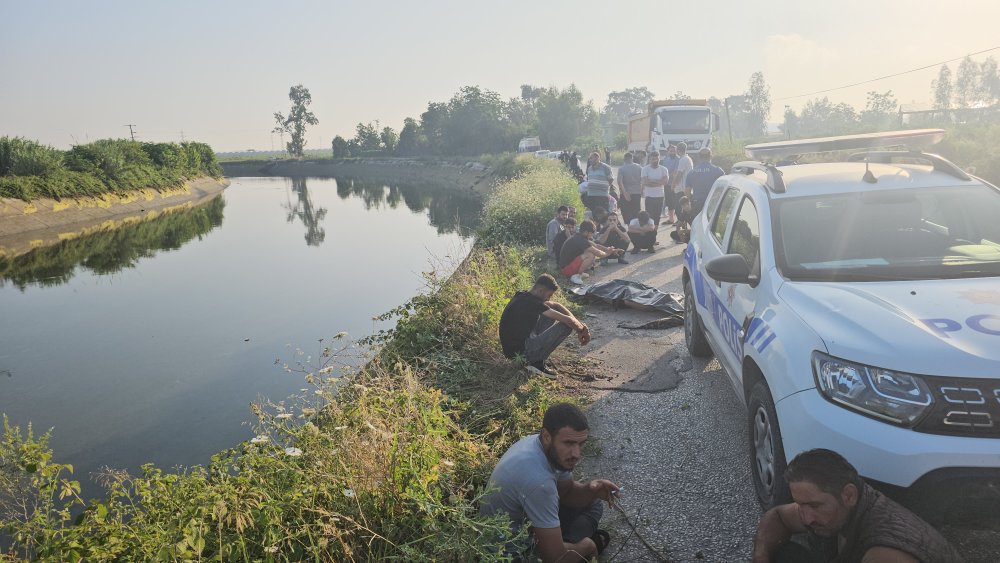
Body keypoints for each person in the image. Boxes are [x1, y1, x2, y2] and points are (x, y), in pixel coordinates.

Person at [752, 449, 965, 563]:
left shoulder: (886, 553)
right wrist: (761, 556)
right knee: (783, 553)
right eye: (800, 504)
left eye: (814, 505)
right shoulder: (842, 506)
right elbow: (778, 516)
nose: (806, 517)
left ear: (849, 495)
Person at [481, 403, 619, 562]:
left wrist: (591, 490)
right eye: (568, 443)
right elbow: (555, 558)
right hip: (511, 554)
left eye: (581, 444)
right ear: (547, 436)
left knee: (593, 502)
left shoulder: (541, 446)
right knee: (566, 552)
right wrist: (587, 546)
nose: (576, 453)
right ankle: (569, 547)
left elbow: (566, 492)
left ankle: (561, 543)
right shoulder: (539, 482)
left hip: (526, 526)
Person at [498, 274, 591, 377]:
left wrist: (580, 327)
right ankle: (535, 362)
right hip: (521, 353)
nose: (548, 298)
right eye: (549, 295)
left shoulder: (523, 296)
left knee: (555, 312)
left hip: (521, 343)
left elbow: (556, 305)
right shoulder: (531, 303)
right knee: (567, 325)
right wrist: (582, 330)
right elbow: (568, 321)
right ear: (541, 291)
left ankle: (535, 357)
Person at [558, 220, 623, 284]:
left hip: (568, 266)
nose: (591, 235)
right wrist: (608, 253)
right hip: (566, 270)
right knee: (590, 255)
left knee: (590, 252)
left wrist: (610, 249)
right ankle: (577, 276)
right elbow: (597, 252)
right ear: (586, 232)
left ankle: (577, 273)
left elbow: (596, 245)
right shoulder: (580, 239)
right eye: (591, 233)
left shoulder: (579, 236)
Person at [686, 147, 725, 215]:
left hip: (697, 203)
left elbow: (687, 191)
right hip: (713, 204)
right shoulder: (718, 171)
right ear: (711, 156)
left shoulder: (691, 173)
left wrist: (690, 202)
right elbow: (724, 188)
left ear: (699, 157)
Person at [641, 151, 670, 228]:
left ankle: (654, 235)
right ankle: (649, 235)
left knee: (657, 216)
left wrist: (651, 181)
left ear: (659, 159)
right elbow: (645, 182)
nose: (655, 161)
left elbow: (665, 182)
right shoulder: (645, 169)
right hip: (649, 196)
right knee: (649, 216)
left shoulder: (664, 169)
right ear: (649, 159)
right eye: (653, 159)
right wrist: (659, 182)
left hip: (660, 196)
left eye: (657, 159)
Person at [669, 142, 694, 224]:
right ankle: (684, 222)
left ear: (678, 150)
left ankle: (682, 222)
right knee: (685, 207)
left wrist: (673, 184)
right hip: (686, 187)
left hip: (681, 188)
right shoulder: (688, 158)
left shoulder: (683, 159)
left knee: (678, 207)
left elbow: (679, 174)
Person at [617, 151, 643, 224]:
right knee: (636, 211)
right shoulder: (639, 167)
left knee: (626, 211)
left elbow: (619, 181)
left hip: (625, 193)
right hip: (637, 192)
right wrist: (642, 190)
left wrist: (625, 193)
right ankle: (636, 227)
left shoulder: (622, 168)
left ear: (624, 159)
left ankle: (630, 227)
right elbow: (643, 180)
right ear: (632, 158)